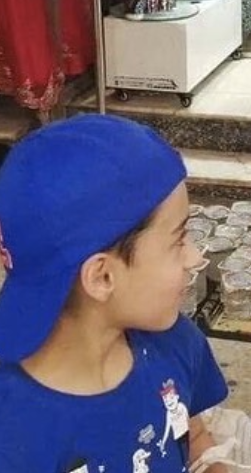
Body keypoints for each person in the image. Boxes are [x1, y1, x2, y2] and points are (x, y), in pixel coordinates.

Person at [0, 114, 230, 472]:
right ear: (103, 277)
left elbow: (195, 438)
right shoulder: (14, 433)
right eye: (178, 240)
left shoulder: (175, 345)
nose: (195, 257)